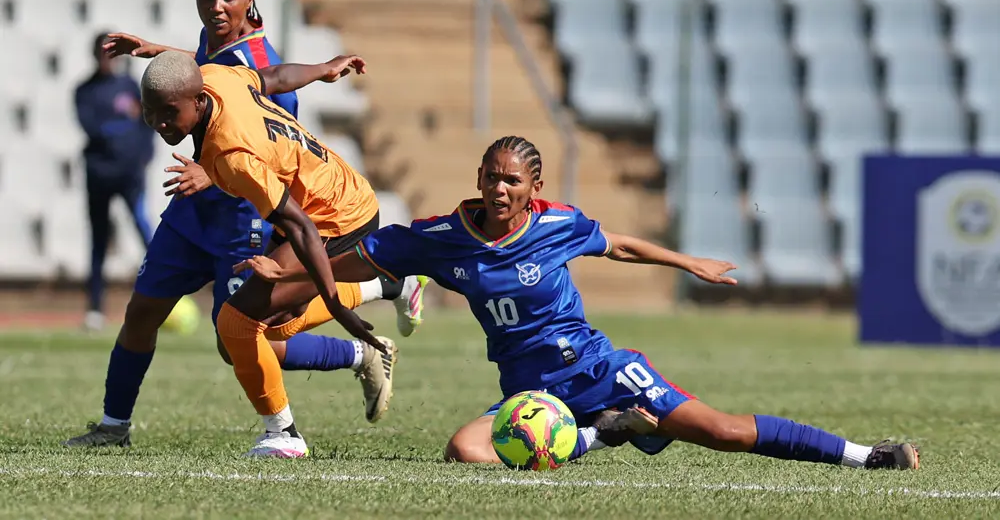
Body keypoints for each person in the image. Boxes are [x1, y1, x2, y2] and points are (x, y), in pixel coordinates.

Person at [237, 135, 921, 471]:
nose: (499, 189)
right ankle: (601, 433)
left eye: (512, 181)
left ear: (532, 189)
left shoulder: (557, 223)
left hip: (599, 369)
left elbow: (617, 244)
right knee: (465, 451)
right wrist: (285, 280)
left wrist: (689, 262)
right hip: (533, 393)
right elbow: (349, 264)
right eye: (491, 176)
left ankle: (868, 456)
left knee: (723, 431)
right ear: (478, 177)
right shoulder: (438, 240)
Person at [64, 0, 427, 450]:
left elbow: (267, 144)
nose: (216, 6)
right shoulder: (212, 51)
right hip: (194, 213)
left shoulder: (253, 64)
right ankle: (113, 426)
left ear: (249, 0)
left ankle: (358, 334)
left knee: (236, 334)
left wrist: (210, 170)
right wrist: (155, 51)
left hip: (245, 213)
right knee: (144, 311)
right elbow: (206, 76)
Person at [128, 50, 407, 458]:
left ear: (199, 101)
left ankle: (284, 435)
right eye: (150, 112)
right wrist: (322, 69)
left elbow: (301, 227)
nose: (159, 123)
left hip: (334, 217)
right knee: (267, 329)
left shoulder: (233, 155)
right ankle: (384, 285)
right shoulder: (215, 77)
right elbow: (272, 77)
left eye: (169, 112)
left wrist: (334, 303)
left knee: (235, 324)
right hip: (324, 200)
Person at [74, 32, 156, 332]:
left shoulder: (130, 86)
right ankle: (95, 308)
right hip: (98, 175)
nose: (106, 59)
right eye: (101, 53)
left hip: (130, 174)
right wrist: (124, 128)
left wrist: (144, 154)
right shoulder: (84, 90)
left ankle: (168, 294)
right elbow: (93, 128)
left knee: (145, 230)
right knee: (98, 241)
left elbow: (147, 124)